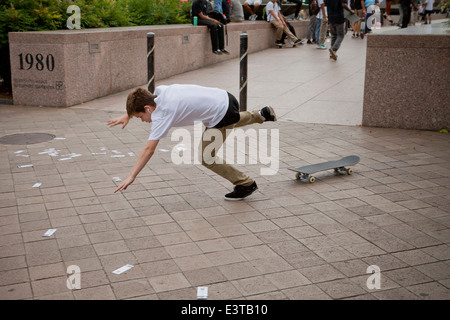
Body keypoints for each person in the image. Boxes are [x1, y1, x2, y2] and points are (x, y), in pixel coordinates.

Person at [107, 85, 277, 200]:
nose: (143, 121)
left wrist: (132, 176)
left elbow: (149, 149)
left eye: (140, 117)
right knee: (229, 121)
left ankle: (245, 184)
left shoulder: (163, 114)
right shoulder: (160, 91)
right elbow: (142, 101)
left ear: (147, 109)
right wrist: (128, 114)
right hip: (225, 98)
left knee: (206, 157)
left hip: (221, 113)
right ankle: (261, 114)